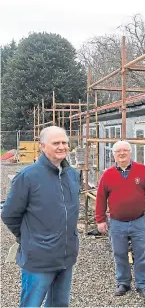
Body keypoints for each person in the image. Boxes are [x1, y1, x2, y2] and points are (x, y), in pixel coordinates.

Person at [1, 126, 80, 307]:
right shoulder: (28, 176)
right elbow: (9, 214)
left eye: (64, 143)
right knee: (31, 304)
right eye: (56, 143)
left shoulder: (72, 175)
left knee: (60, 304)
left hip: (66, 256)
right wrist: (29, 238)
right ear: (42, 146)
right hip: (38, 258)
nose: (62, 147)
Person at [95, 141, 145, 300]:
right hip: (116, 223)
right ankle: (123, 282)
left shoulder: (142, 170)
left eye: (125, 151)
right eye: (118, 151)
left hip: (139, 221)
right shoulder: (108, 174)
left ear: (130, 153)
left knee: (142, 253)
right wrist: (100, 219)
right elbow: (101, 198)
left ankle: (143, 285)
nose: (121, 154)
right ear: (113, 154)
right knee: (119, 253)